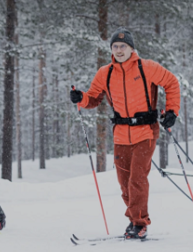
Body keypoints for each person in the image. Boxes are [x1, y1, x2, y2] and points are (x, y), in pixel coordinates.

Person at [69, 28, 180, 239]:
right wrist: (80, 98)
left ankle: (139, 223)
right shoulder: (105, 72)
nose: (119, 50)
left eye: (123, 46)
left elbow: (171, 83)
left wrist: (172, 111)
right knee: (124, 181)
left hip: (146, 131)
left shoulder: (147, 67)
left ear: (131, 48)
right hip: (121, 133)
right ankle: (134, 220)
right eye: (115, 46)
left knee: (137, 178)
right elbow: (93, 98)